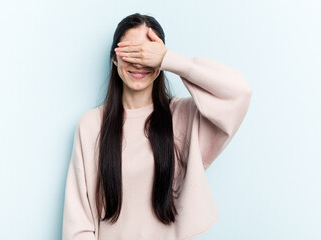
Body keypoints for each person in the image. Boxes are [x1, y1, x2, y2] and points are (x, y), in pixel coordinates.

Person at [62, 13, 252, 240]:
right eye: (131, 52)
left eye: (147, 53)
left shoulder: (183, 117)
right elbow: (78, 224)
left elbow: (239, 93)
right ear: (115, 58)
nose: (139, 61)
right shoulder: (91, 125)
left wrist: (170, 60)